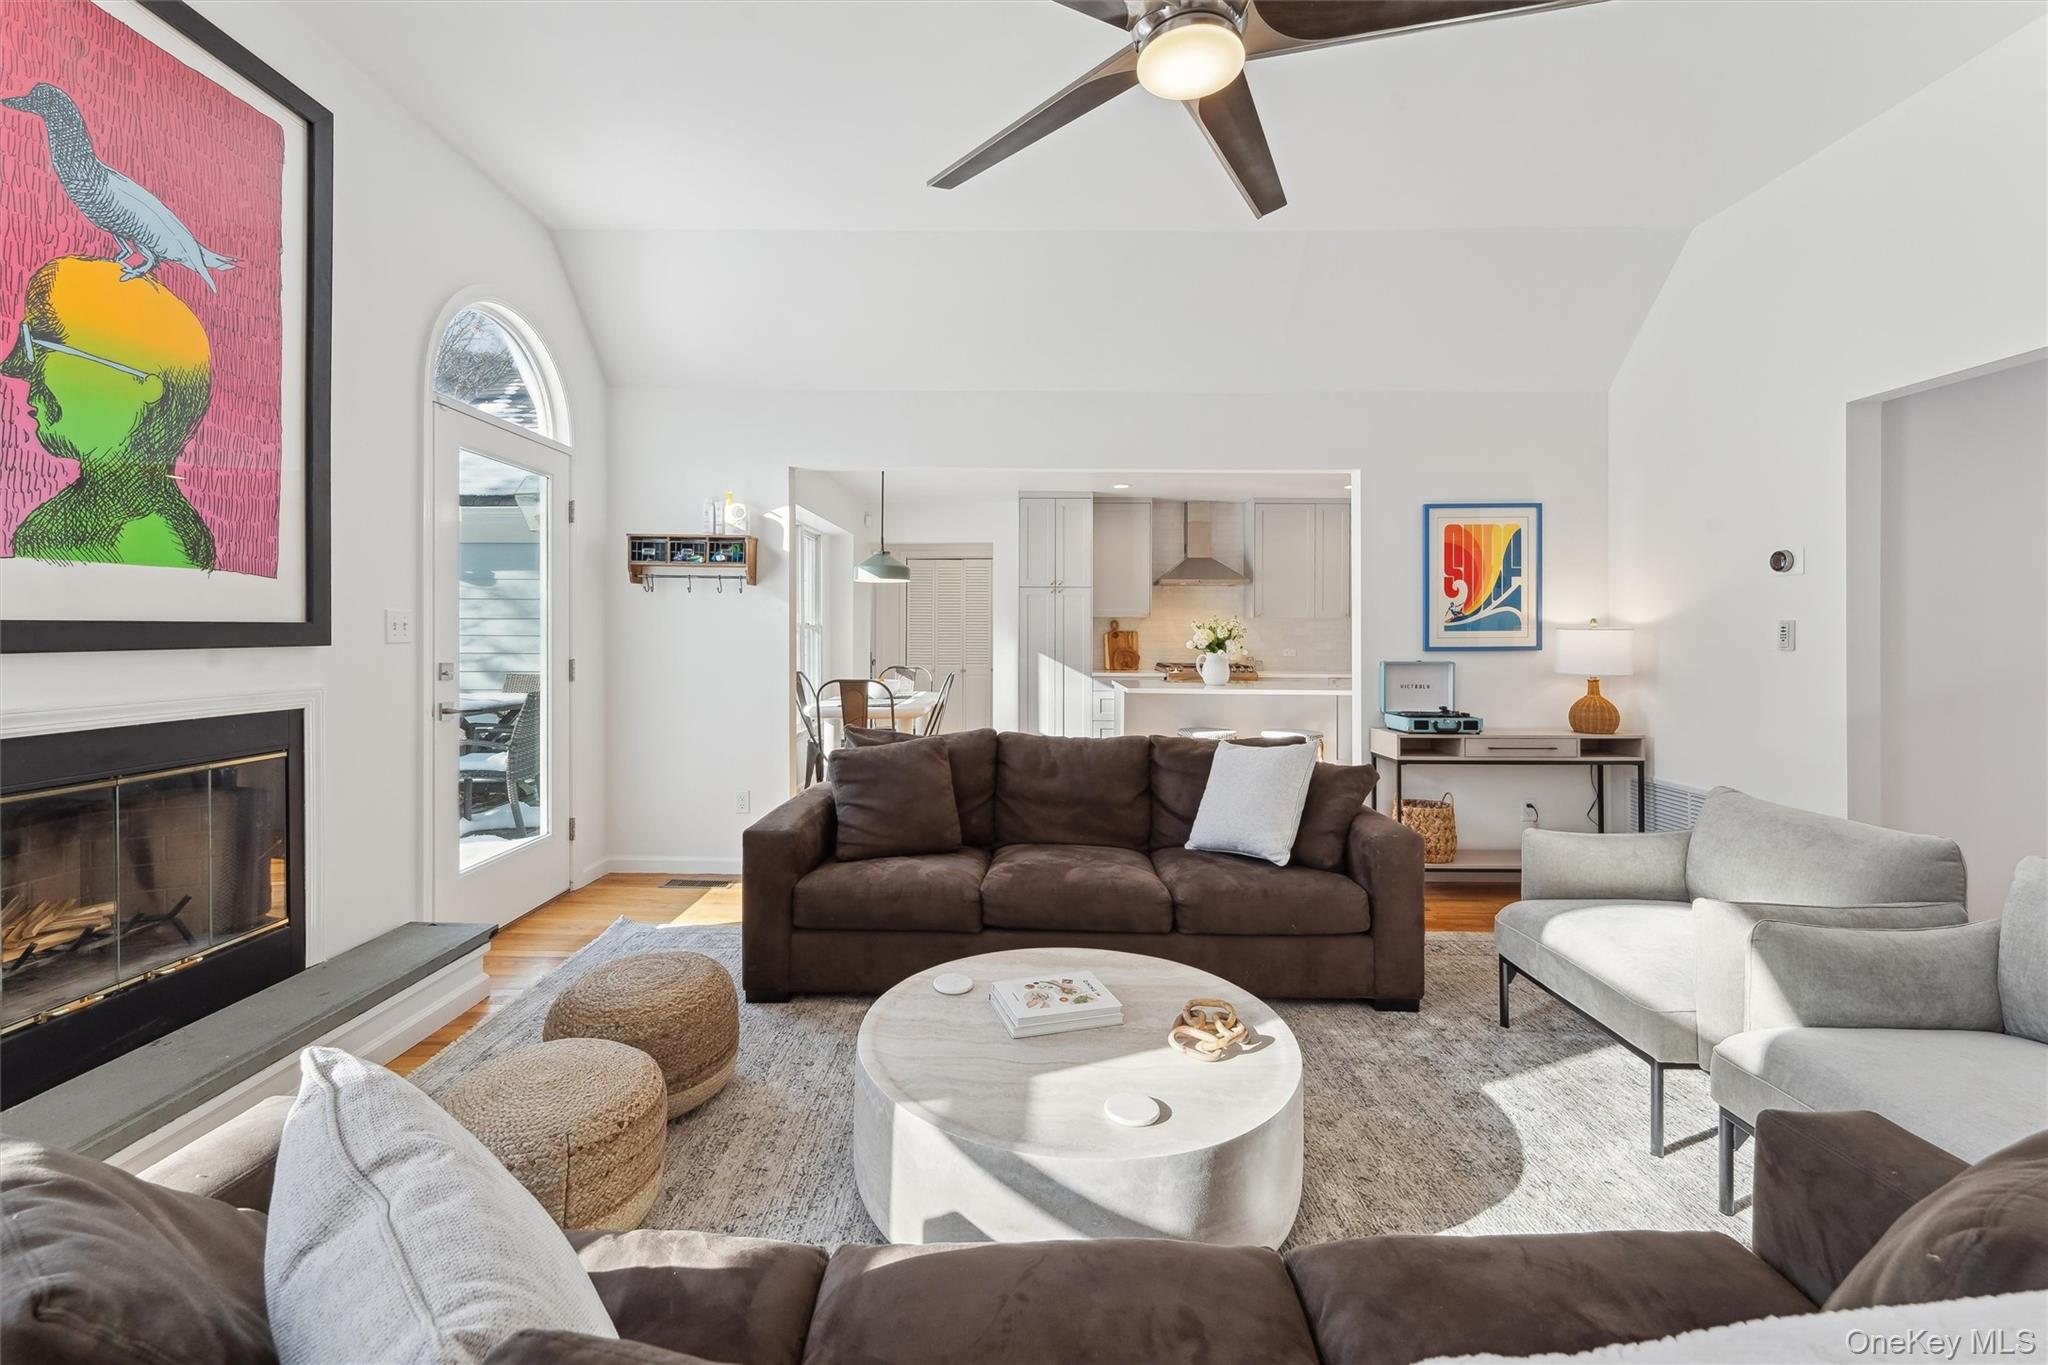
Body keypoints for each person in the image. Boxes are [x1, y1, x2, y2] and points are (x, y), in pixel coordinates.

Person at [2, 256, 215, 570]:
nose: (20, 370)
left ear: (143, 383)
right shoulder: (49, 526)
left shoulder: (157, 541)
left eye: (45, 346)